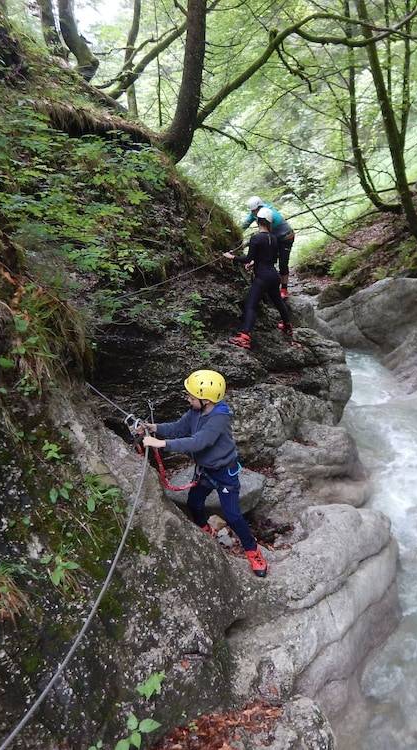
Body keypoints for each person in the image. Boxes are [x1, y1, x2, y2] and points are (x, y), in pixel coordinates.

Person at [141, 369, 268, 577]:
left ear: (206, 400)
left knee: (233, 516)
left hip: (224, 474)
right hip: (205, 471)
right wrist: (153, 428)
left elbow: (199, 442)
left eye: (191, 397)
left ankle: (253, 551)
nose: (188, 399)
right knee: (194, 503)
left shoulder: (219, 418)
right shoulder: (195, 411)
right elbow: (178, 428)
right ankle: (205, 529)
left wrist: (162, 444)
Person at [225, 207, 292, 350]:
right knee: (278, 302)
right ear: (270, 223)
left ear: (257, 221)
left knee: (251, 305)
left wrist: (232, 257)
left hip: (262, 277)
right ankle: (287, 326)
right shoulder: (274, 238)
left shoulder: (256, 238)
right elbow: (270, 258)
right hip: (274, 276)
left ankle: (244, 337)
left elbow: (248, 258)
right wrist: (254, 263)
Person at [242, 195, 295, 298]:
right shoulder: (254, 214)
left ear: (260, 207)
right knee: (267, 259)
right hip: (274, 237)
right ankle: (270, 285)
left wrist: (249, 244)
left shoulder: (271, 214)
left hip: (286, 238)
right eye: (252, 211)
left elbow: (265, 235)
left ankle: (284, 289)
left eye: (255, 210)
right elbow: (245, 225)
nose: (254, 213)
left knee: (283, 263)